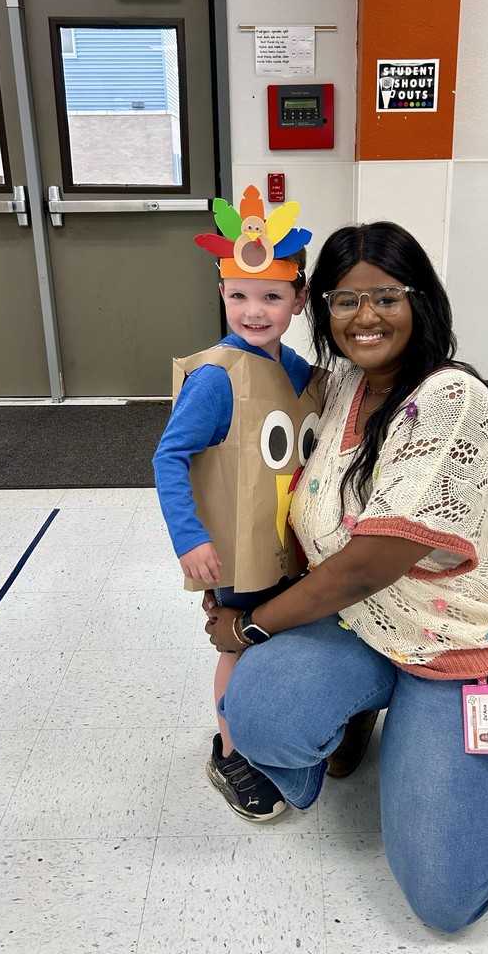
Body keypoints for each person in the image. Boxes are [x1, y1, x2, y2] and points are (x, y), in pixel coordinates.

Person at [205, 220, 488, 933]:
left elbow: (364, 565)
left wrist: (249, 624)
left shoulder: (449, 401)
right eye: (343, 300)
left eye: (385, 297)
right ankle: (361, 707)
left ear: (420, 302)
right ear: (320, 311)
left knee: (445, 902)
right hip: (365, 627)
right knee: (254, 712)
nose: (364, 317)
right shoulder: (340, 390)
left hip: (458, 650)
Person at [153, 184, 325, 822]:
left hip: (291, 545)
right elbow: (169, 457)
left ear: (299, 299)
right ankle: (232, 750)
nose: (255, 311)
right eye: (239, 296)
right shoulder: (215, 379)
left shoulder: (302, 373)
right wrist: (191, 537)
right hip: (242, 553)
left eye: (272, 296)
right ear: (222, 295)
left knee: (283, 639)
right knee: (240, 647)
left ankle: (279, 726)